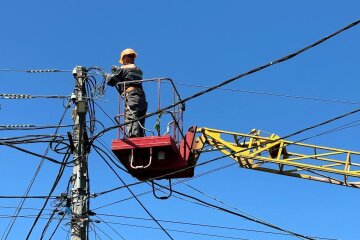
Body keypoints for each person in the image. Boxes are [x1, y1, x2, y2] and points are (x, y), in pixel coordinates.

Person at [106, 48, 147, 138]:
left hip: (131, 96)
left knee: (132, 115)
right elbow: (129, 77)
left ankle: (133, 136)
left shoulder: (122, 69)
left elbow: (110, 82)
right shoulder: (139, 70)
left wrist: (110, 75)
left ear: (124, 58)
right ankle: (140, 136)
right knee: (140, 117)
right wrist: (118, 72)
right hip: (141, 97)